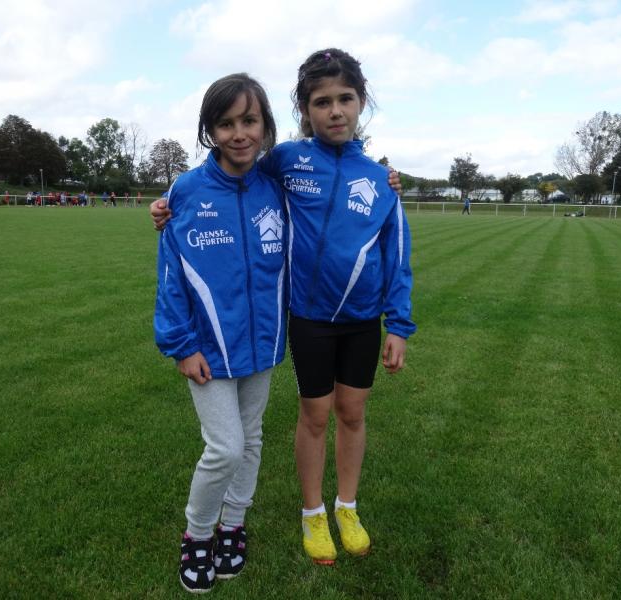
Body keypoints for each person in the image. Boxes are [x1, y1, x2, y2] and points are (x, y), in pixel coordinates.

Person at [151, 49, 415, 567]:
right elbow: (220, 179)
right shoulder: (286, 161)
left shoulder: (379, 180)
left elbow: (397, 256)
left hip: (357, 322)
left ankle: (342, 508)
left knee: (345, 415)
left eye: (345, 99)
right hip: (307, 320)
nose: (335, 110)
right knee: (298, 421)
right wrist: (165, 204)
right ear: (303, 109)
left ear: (362, 102)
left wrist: (399, 324)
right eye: (322, 102)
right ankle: (306, 514)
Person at [154, 73, 286, 593]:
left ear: (265, 125)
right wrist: (182, 346)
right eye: (225, 123)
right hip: (207, 349)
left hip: (263, 343)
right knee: (225, 448)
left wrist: (385, 177)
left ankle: (234, 525)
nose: (239, 133)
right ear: (210, 130)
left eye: (249, 120)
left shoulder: (275, 186)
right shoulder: (186, 191)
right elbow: (170, 275)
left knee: (250, 440)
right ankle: (198, 534)